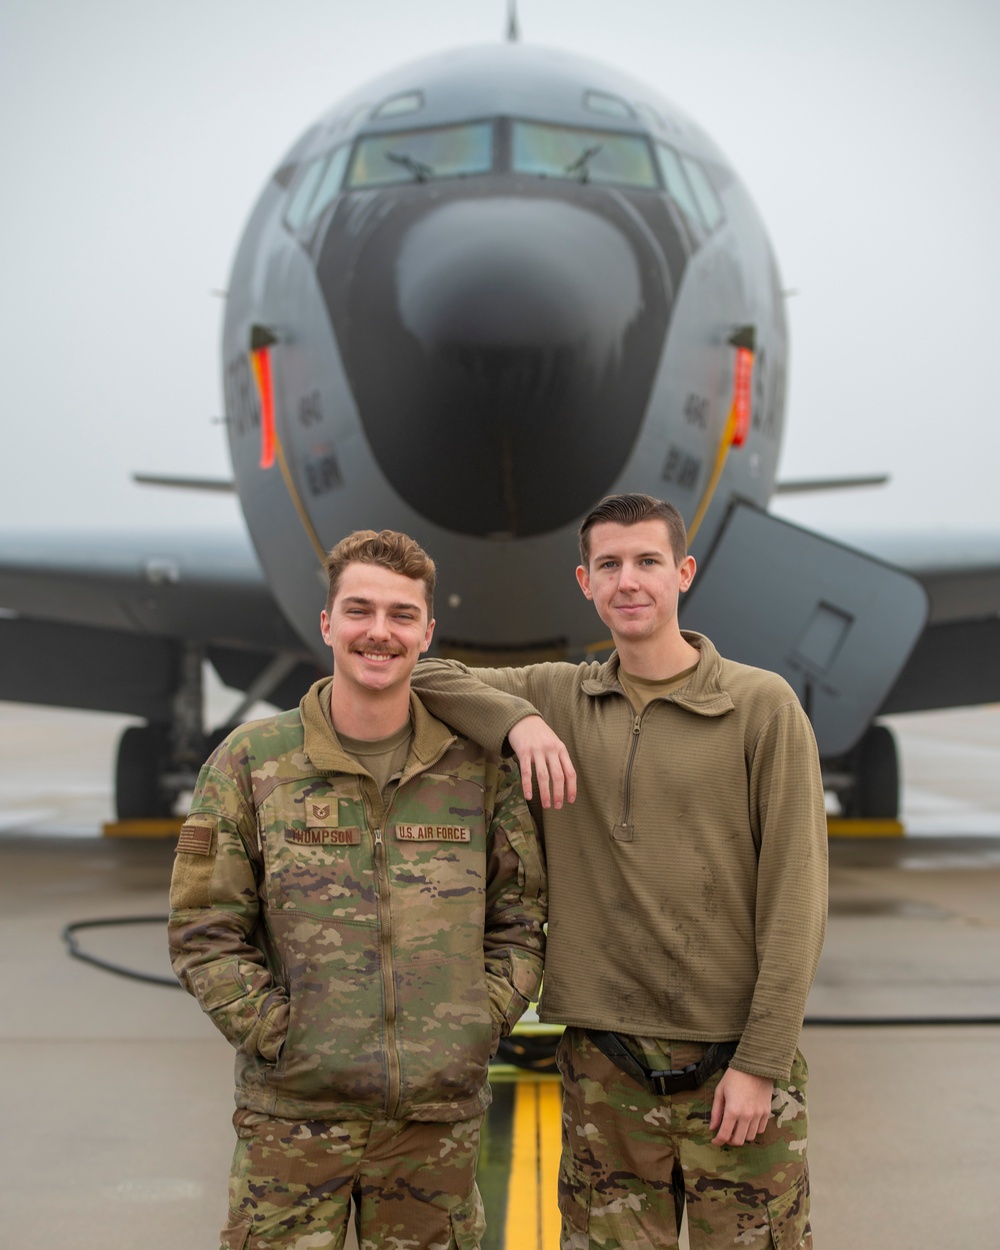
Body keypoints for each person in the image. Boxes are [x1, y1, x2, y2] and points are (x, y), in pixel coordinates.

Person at [411, 493, 828, 1250]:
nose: (628, 581)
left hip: (734, 1066)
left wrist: (762, 1062)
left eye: (648, 562)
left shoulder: (760, 707)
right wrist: (522, 721)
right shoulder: (560, 695)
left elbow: (796, 898)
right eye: (609, 565)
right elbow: (425, 673)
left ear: (684, 573)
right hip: (605, 1072)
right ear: (585, 582)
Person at [167, 529, 546, 1250]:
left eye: (402, 615)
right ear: (328, 623)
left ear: (428, 633)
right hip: (292, 1124)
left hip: (435, 1127)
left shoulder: (476, 771)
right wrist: (283, 1038)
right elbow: (203, 930)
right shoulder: (253, 764)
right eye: (360, 611)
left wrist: (477, 1019)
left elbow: (522, 918)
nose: (380, 632)